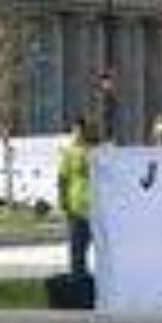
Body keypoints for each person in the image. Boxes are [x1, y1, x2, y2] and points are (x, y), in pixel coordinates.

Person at [57, 117, 92, 276]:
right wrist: (63, 201)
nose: (78, 134)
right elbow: (62, 178)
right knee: (77, 247)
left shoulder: (92, 151)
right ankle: (77, 277)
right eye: (75, 131)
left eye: (81, 130)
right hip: (76, 206)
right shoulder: (69, 152)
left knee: (89, 245)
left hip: (94, 207)